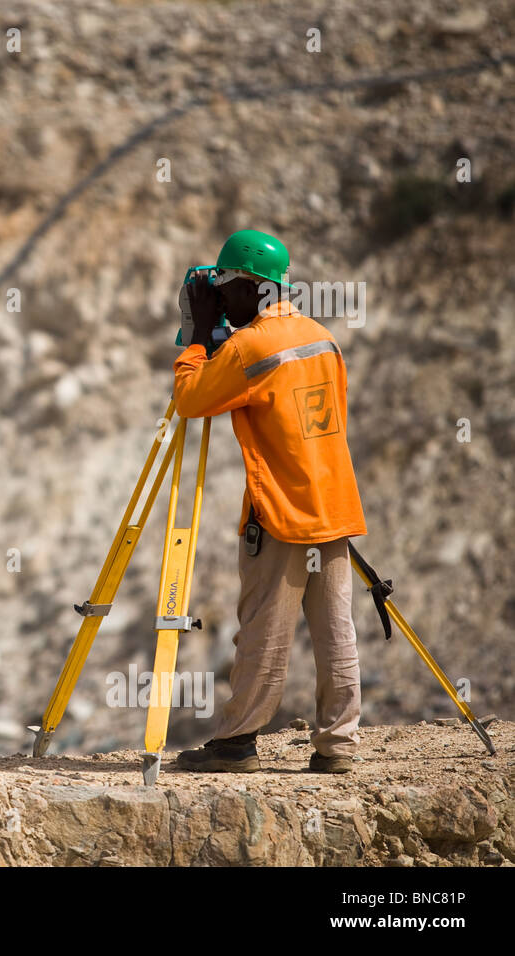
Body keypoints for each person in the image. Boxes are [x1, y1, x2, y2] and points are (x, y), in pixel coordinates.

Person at [171, 230, 367, 774]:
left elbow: (190, 400)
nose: (221, 298)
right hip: (331, 501)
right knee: (335, 629)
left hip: (281, 509)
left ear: (251, 286)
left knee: (263, 627)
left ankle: (236, 744)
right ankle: (338, 747)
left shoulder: (249, 346)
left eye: (225, 286)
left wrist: (194, 337)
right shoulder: (320, 337)